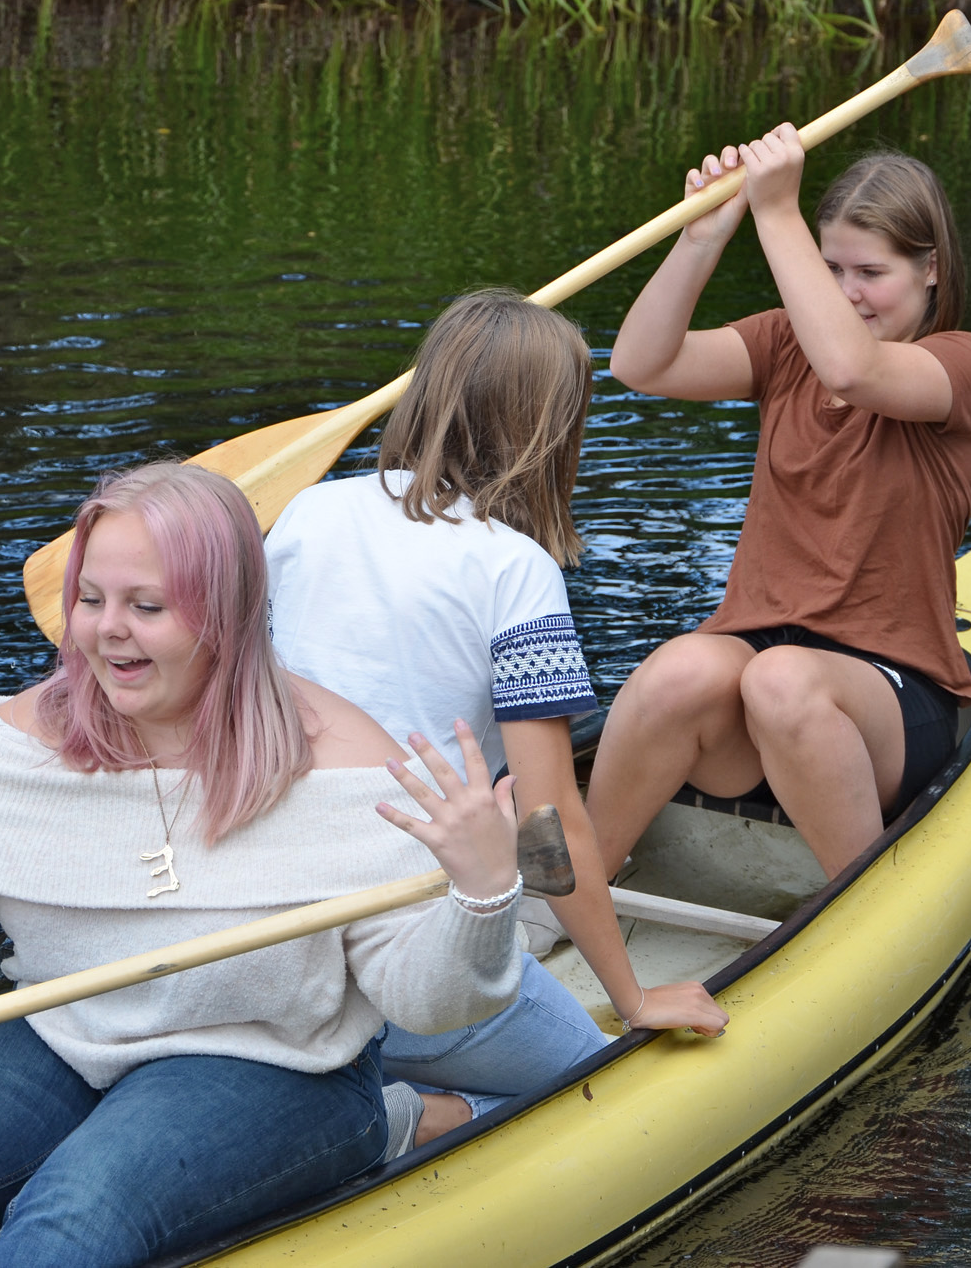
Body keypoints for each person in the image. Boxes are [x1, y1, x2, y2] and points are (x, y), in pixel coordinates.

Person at [0, 462, 526, 1268]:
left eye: (146, 606)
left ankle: (386, 1121)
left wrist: (481, 895)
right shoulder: (9, 747)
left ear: (226, 615)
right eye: (91, 598)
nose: (108, 629)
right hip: (63, 1035)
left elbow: (423, 999)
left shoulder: (347, 767)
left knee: (68, 1224)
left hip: (278, 1062)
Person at [265, 291, 728, 1154]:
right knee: (600, 1092)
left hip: (276, 929)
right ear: (552, 431)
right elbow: (547, 823)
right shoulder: (514, 571)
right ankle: (409, 1117)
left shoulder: (303, 515)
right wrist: (631, 998)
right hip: (407, 971)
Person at [586, 133, 971, 883]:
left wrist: (777, 213)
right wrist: (703, 235)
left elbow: (856, 366)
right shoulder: (786, 346)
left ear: (931, 268)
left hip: (887, 704)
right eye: (831, 266)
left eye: (870, 272)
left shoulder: (963, 366)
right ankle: (573, 894)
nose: (844, 290)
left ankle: (866, 915)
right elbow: (639, 363)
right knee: (678, 669)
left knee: (782, 680)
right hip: (756, 694)